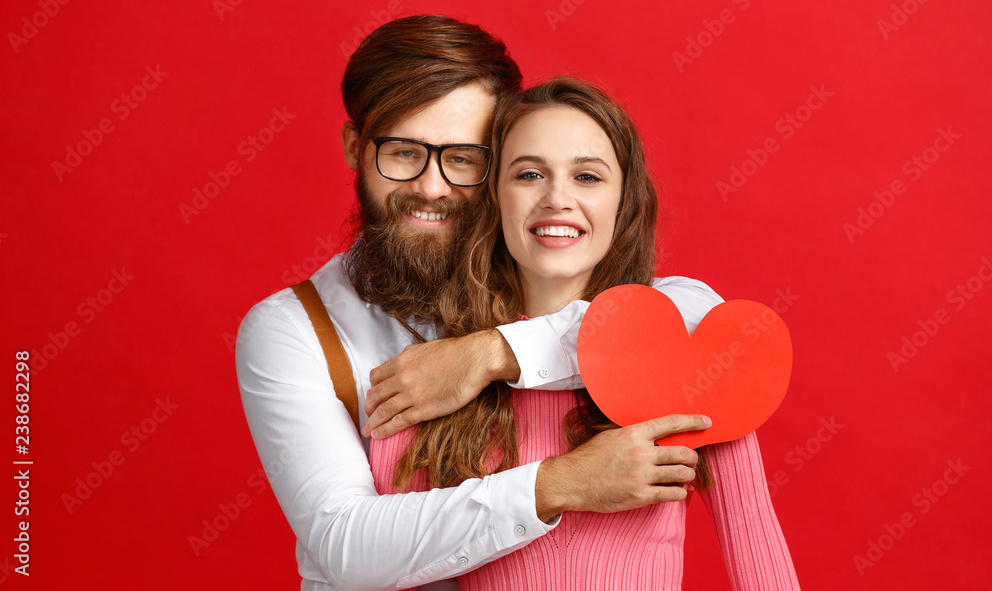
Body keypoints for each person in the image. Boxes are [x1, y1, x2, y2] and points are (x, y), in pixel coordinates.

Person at [236, 15, 718, 591]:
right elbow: (346, 545)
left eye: (463, 158)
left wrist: (492, 353)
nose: (432, 186)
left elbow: (693, 315)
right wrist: (556, 484)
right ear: (356, 149)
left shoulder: (534, 269)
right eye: (404, 152)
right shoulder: (291, 329)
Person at [370, 77, 800, 590]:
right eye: (529, 174)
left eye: (588, 177)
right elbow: (395, 564)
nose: (557, 199)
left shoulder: (686, 362)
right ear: (493, 198)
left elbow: (759, 558)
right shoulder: (434, 376)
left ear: (623, 203)